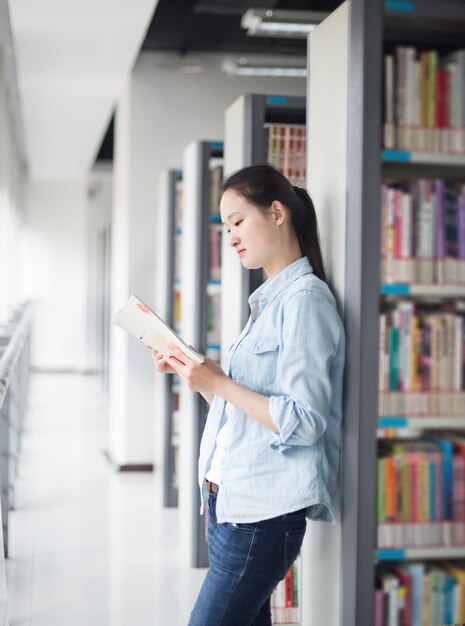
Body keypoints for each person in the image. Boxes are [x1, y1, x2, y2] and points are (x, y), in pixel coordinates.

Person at [152, 164, 345, 626]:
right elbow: (244, 413)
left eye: (238, 222)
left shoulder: (305, 300)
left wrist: (219, 382)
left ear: (277, 212)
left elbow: (304, 419)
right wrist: (199, 377)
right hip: (227, 501)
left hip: (261, 515)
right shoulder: (267, 302)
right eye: (226, 228)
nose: (231, 237)